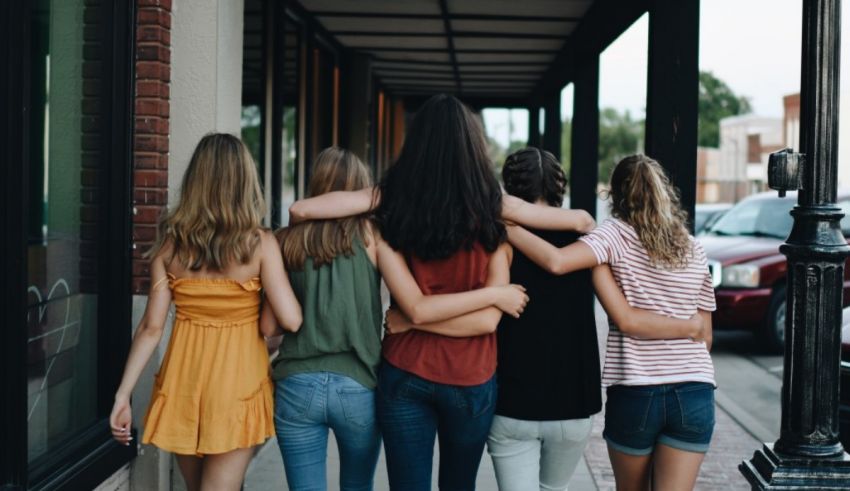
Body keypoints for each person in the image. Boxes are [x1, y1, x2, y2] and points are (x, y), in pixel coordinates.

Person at [287, 95, 594, 490]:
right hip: (471, 377)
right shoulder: (493, 206)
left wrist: (413, 319)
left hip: (405, 372)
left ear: (416, 146)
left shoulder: (392, 199)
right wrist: (498, 274)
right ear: (473, 147)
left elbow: (301, 210)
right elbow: (581, 220)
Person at [263, 146, 531, 491]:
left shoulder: (283, 242)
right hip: (357, 383)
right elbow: (414, 301)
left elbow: (271, 325)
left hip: (297, 383)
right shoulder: (374, 237)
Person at [487, 148, 707, 491]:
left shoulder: (607, 238)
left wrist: (506, 230)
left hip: (617, 391)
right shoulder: (690, 248)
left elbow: (560, 265)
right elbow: (704, 335)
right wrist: (688, 327)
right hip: (671, 392)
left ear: (615, 196)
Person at [108, 133, 303, 491]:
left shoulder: (170, 245)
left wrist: (124, 394)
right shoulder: (261, 244)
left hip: (184, 383)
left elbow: (151, 328)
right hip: (238, 386)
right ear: (246, 182)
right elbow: (291, 319)